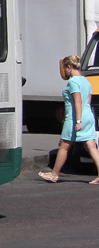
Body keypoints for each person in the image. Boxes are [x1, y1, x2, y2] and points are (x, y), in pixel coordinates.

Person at [39, 54, 99, 184]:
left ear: (69, 67)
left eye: (65, 68)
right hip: (88, 115)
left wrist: (78, 121)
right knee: (91, 146)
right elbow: (87, 101)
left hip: (75, 117)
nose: (65, 72)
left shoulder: (73, 82)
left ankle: (54, 174)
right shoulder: (85, 80)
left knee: (64, 146)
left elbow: (78, 101)